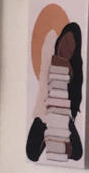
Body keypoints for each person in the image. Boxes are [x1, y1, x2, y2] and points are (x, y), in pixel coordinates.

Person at [26, 22, 83, 162]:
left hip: (62, 115)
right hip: (44, 112)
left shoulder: (72, 73)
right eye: (66, 41)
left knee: (77, 153)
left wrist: (68, 75)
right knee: (31, 154)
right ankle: (49, 138)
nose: (66, 48)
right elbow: (44, 84)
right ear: (61, 37)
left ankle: (54, 138)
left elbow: (70, 104)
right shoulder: (50, 45)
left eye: (71, 48)